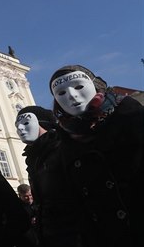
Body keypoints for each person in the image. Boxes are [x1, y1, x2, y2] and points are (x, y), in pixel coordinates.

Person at [49, 65, 144, 246]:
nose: (71, 95)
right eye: (60, 93)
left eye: (78, 86)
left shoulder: (133, 117)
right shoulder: (64, 144)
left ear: (96, 86)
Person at [16, 105, 81, 247]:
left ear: (43, 124)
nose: (20, 129)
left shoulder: (62, 147)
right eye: (17, 125)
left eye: (26, 123)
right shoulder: (34, 157)